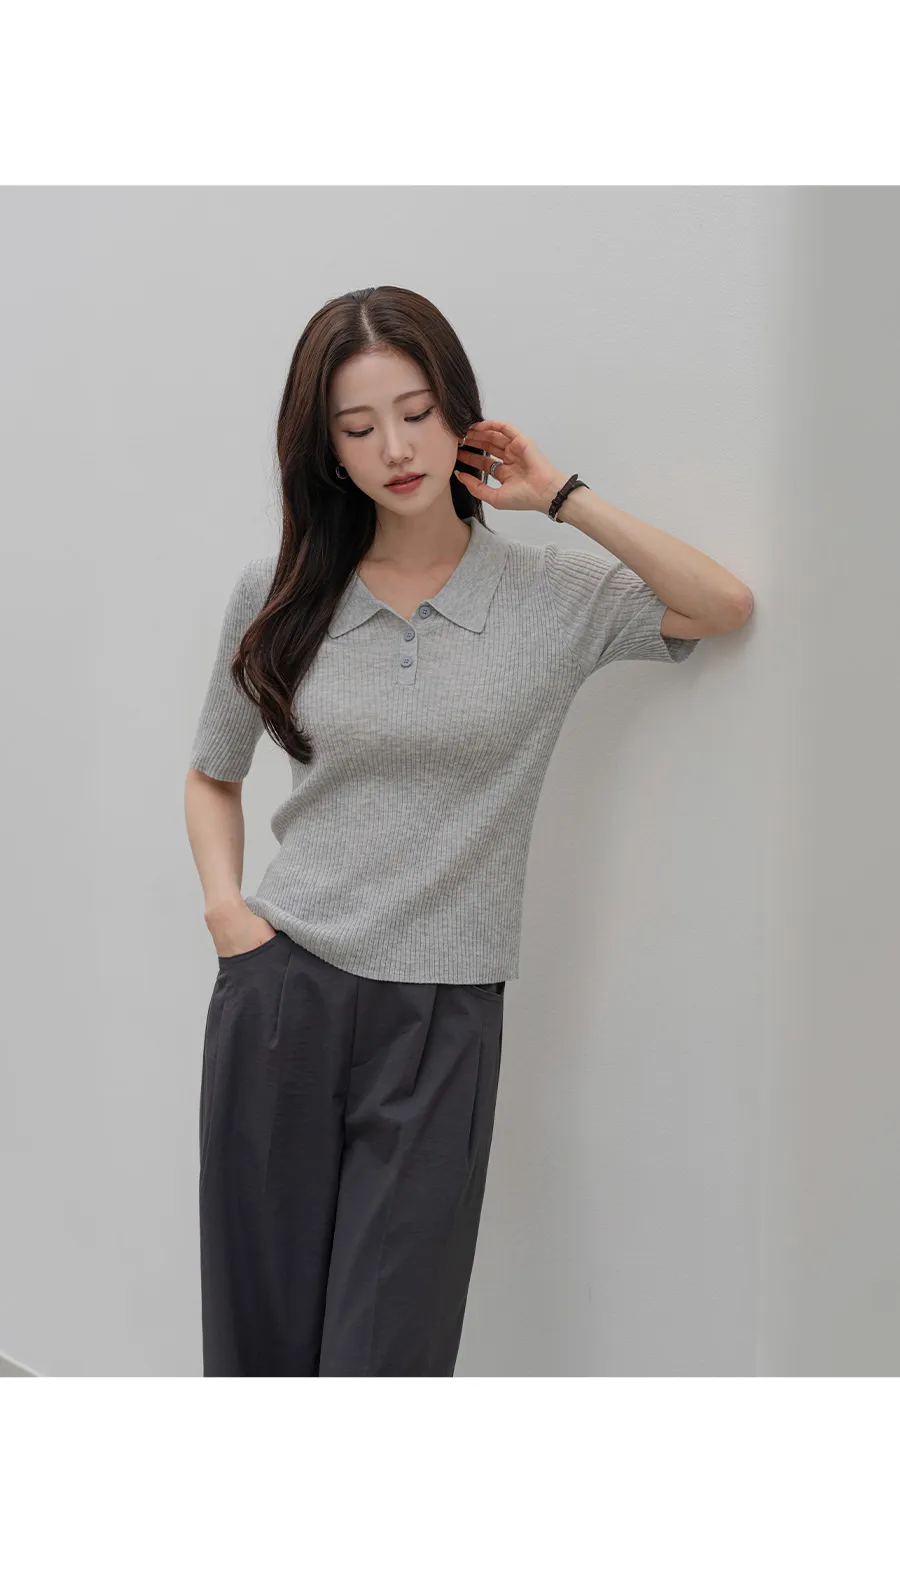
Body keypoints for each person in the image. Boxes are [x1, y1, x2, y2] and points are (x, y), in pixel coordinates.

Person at [184, 284, 747, 1377]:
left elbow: (720, 605)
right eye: (357, 428)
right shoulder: (283, 591)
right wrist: (229, 919)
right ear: (326, 449)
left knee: (387, 1358)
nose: (394, 449)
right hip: (284, 993)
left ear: (460, 412)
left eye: (416, 412)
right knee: (260, 1353)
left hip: (441, 1015)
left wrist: (560, 496)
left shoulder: (547, 595)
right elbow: (214, 773)